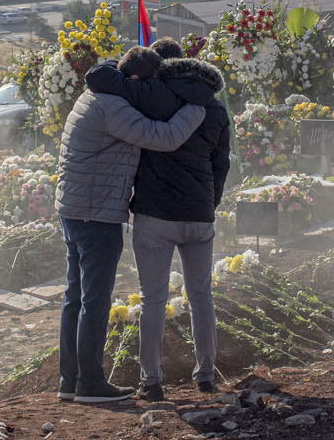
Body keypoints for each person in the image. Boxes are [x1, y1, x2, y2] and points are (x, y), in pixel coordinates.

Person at [56, 47, 206, 405]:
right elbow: (165, 137)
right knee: (95, 300)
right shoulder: (114, 107)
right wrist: (195, 106)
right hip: (96, 212)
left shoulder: (95, 94)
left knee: (74, 297)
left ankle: (70, 379)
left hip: (74, 207)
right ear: (136, 81)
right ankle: (90, 383)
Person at [85, 36, 230, 402]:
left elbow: (98, 78)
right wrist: (208, 205)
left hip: (154, 215)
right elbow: (221, 164)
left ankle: (152, 381)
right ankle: (207, 375)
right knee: (201, 296)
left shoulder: (152, 97)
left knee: (152, 300)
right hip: (199, 216)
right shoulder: (213, 108)